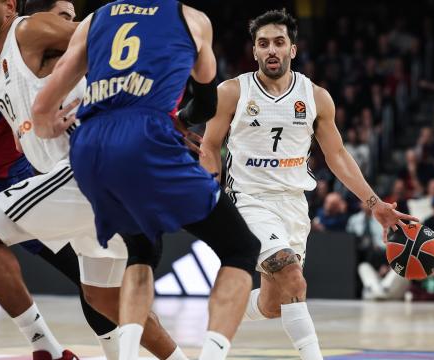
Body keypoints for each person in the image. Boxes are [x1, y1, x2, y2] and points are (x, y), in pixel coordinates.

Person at [0, 0, 185, 358]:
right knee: (102, 298)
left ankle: (47, 349)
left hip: (90, 167)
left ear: (9, 6)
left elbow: (112, 38)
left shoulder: (29, 30)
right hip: (74, 182)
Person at [31, 0, 261, 359]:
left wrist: (54, 128)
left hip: (89, 147)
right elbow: (206, 105)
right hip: (145, 135)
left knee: (140, 248)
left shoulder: (94, 19)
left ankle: (126, 356)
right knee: (240, 248)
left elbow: (42, 111)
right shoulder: (192, 19)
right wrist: (181, 119)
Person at [199, 9, 417, 359]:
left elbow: (338, 156)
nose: (271, 50)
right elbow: (209, 145)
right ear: (254, 51)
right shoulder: (232, 91)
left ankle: (227, 308)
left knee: (275, 303)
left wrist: (375, 203)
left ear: (292, 50)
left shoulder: (315, 96)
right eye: (263, 43)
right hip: (248, 199)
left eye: (279, 43)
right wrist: (210, 192)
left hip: (294, 204)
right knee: (293, 277)